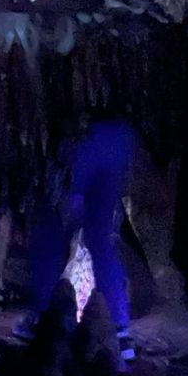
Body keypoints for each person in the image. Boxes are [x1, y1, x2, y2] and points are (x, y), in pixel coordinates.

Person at [23, 121, 138, 351]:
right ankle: (119, 327)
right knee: (101, 238)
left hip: (77, 136)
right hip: (118, 136)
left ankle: (42, 316)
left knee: (52, 228)